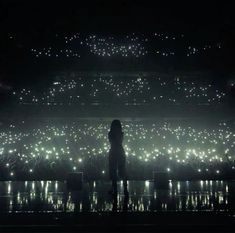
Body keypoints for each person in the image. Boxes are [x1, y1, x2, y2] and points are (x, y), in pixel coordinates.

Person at [108, 119, 128, 196]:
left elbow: (111, 141)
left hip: (113, 151)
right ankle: (125, 189)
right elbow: (119, 141)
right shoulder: (121, 133)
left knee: (113, 170)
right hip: (120, 151)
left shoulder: (110, 133)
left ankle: (115, 189)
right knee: (122, 170)